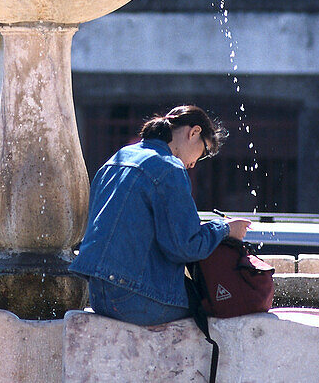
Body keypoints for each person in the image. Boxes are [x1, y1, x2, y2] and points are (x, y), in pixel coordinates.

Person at [69, 105, 251, 325]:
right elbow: (186, 247)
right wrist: (225, 229)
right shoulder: (170, 168)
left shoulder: (119, 157)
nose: (193, 163)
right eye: (202, 153)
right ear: (194, 132)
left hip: (99, 295)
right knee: (221, 302)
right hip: (135, 300)